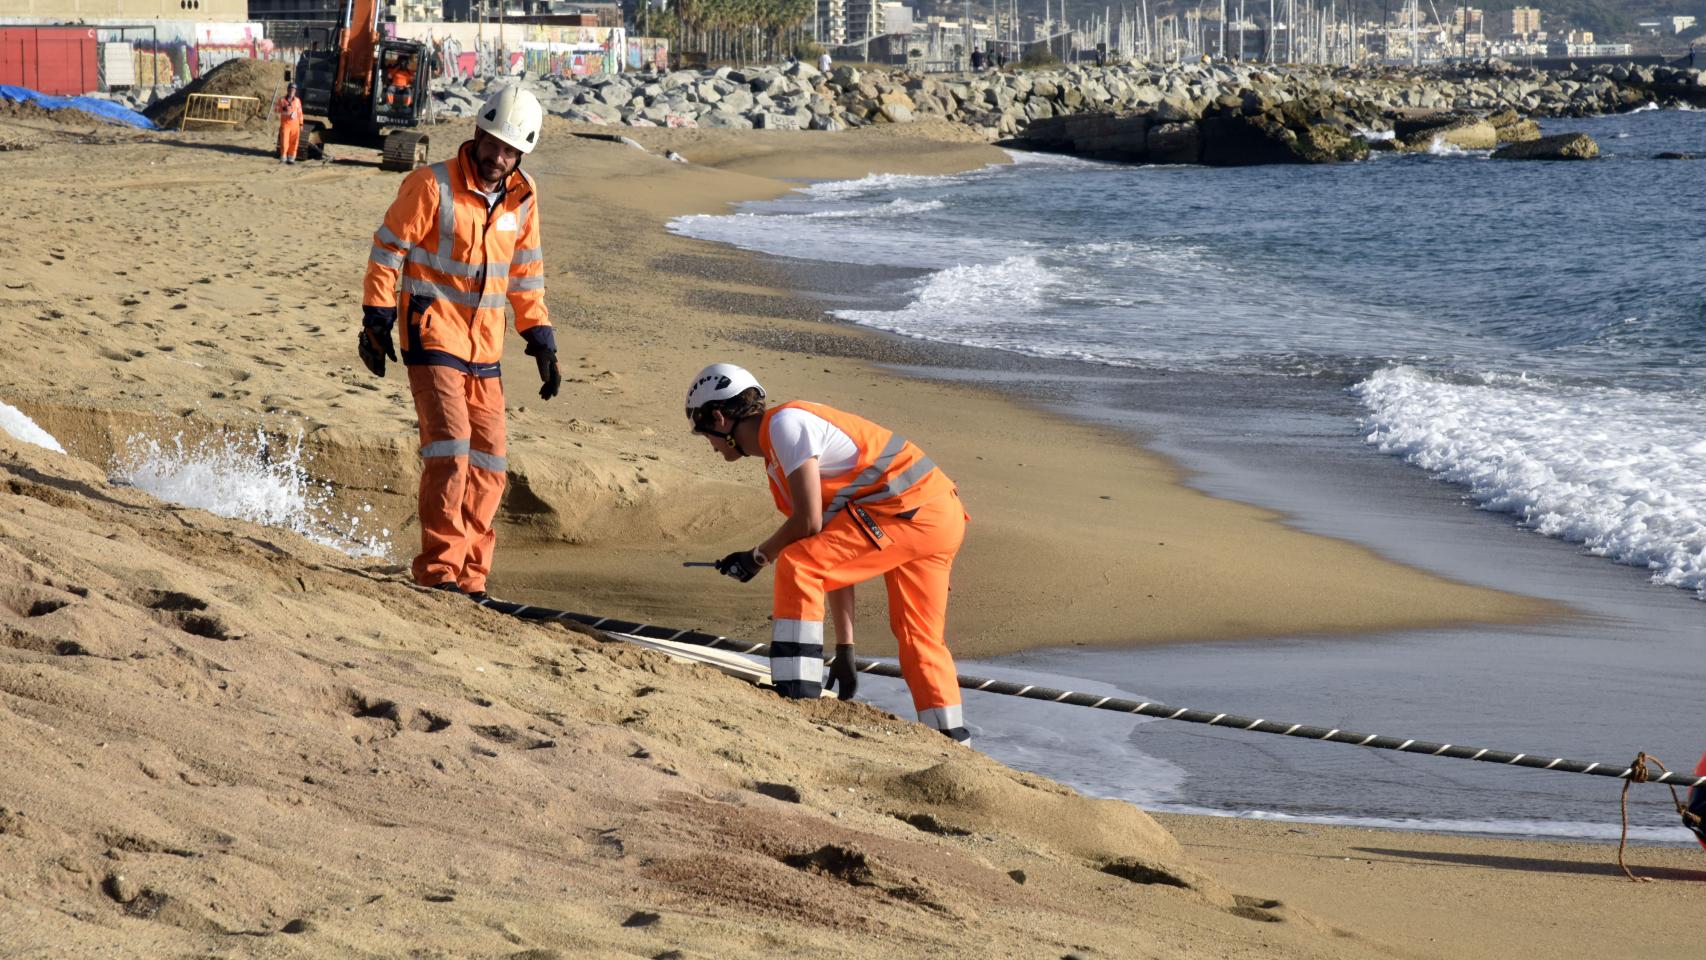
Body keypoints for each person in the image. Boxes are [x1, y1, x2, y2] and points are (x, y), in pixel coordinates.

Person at [685, 364, 971, 743]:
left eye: (705, 433)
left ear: (719, 418)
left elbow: (807, 524)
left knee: (797, 563)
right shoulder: (781, 453)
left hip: (908, 511)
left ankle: (795, 691)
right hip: (939, 514)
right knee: (919, 636)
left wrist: (756, 557)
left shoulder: (786, 426)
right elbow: (834, 555)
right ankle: (950, 739)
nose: (710, 445)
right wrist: (845, 648)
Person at [359, 86, 561, 600]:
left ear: (522, 153)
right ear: (477, 132)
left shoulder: (524, 194)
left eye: (510, 150)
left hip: (486, 350)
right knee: (451, 449)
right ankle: (439, 572)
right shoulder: (431, 185)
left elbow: (526, 272)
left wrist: (539, 337)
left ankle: (472, 577)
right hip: (432, 336)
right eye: (492, 143)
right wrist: (377, 317)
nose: (498, 156)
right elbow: (388, 250)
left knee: (490, 463)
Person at [274, 82, 302, 164]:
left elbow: (300, 113)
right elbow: (276, 109)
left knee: (294, 142)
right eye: (290, 89)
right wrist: (283, 108)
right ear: (288, 89)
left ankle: (291, 158)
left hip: (295, 125)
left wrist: (301, 123)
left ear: (295, 91)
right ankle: (283, 157)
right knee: (284, 141)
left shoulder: (297, 101)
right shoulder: (282, 100)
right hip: (285, 124)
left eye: (293, 89)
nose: (292, 91)